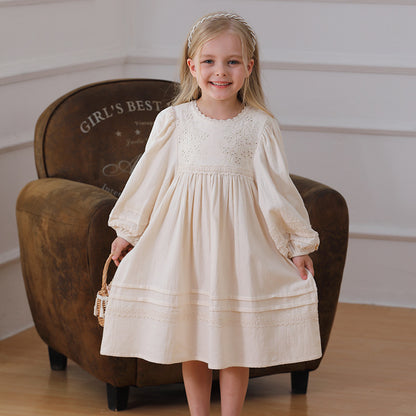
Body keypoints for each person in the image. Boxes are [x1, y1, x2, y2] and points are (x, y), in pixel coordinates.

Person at [100, 12, 322, 416]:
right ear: (192, 66)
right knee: (193, 338)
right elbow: (149, 179)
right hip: (185, 246)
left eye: (232, 62)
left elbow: (277, 189)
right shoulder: (174, 121)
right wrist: (127, 231)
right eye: (209, 61)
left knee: (235, 339)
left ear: (249, 68)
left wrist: (297, 244)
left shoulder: (259, 126)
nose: (220, 71)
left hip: (239, 247)